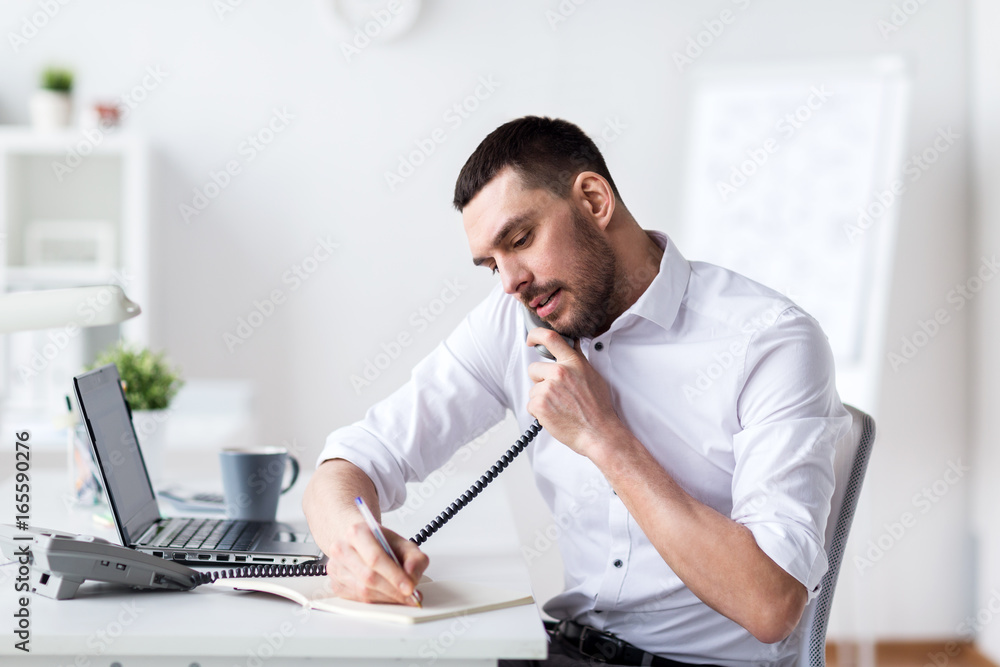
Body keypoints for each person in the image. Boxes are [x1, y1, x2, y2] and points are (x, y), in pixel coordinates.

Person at [302, 116, 851, 666]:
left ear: (593, 200)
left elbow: (771, 604)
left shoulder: (769, 342)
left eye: (520, 240)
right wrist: (352, 540)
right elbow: (358, 455)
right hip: (563, 649)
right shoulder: (515, 321)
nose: (510, 282)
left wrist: (605, 438)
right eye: (491, 263)